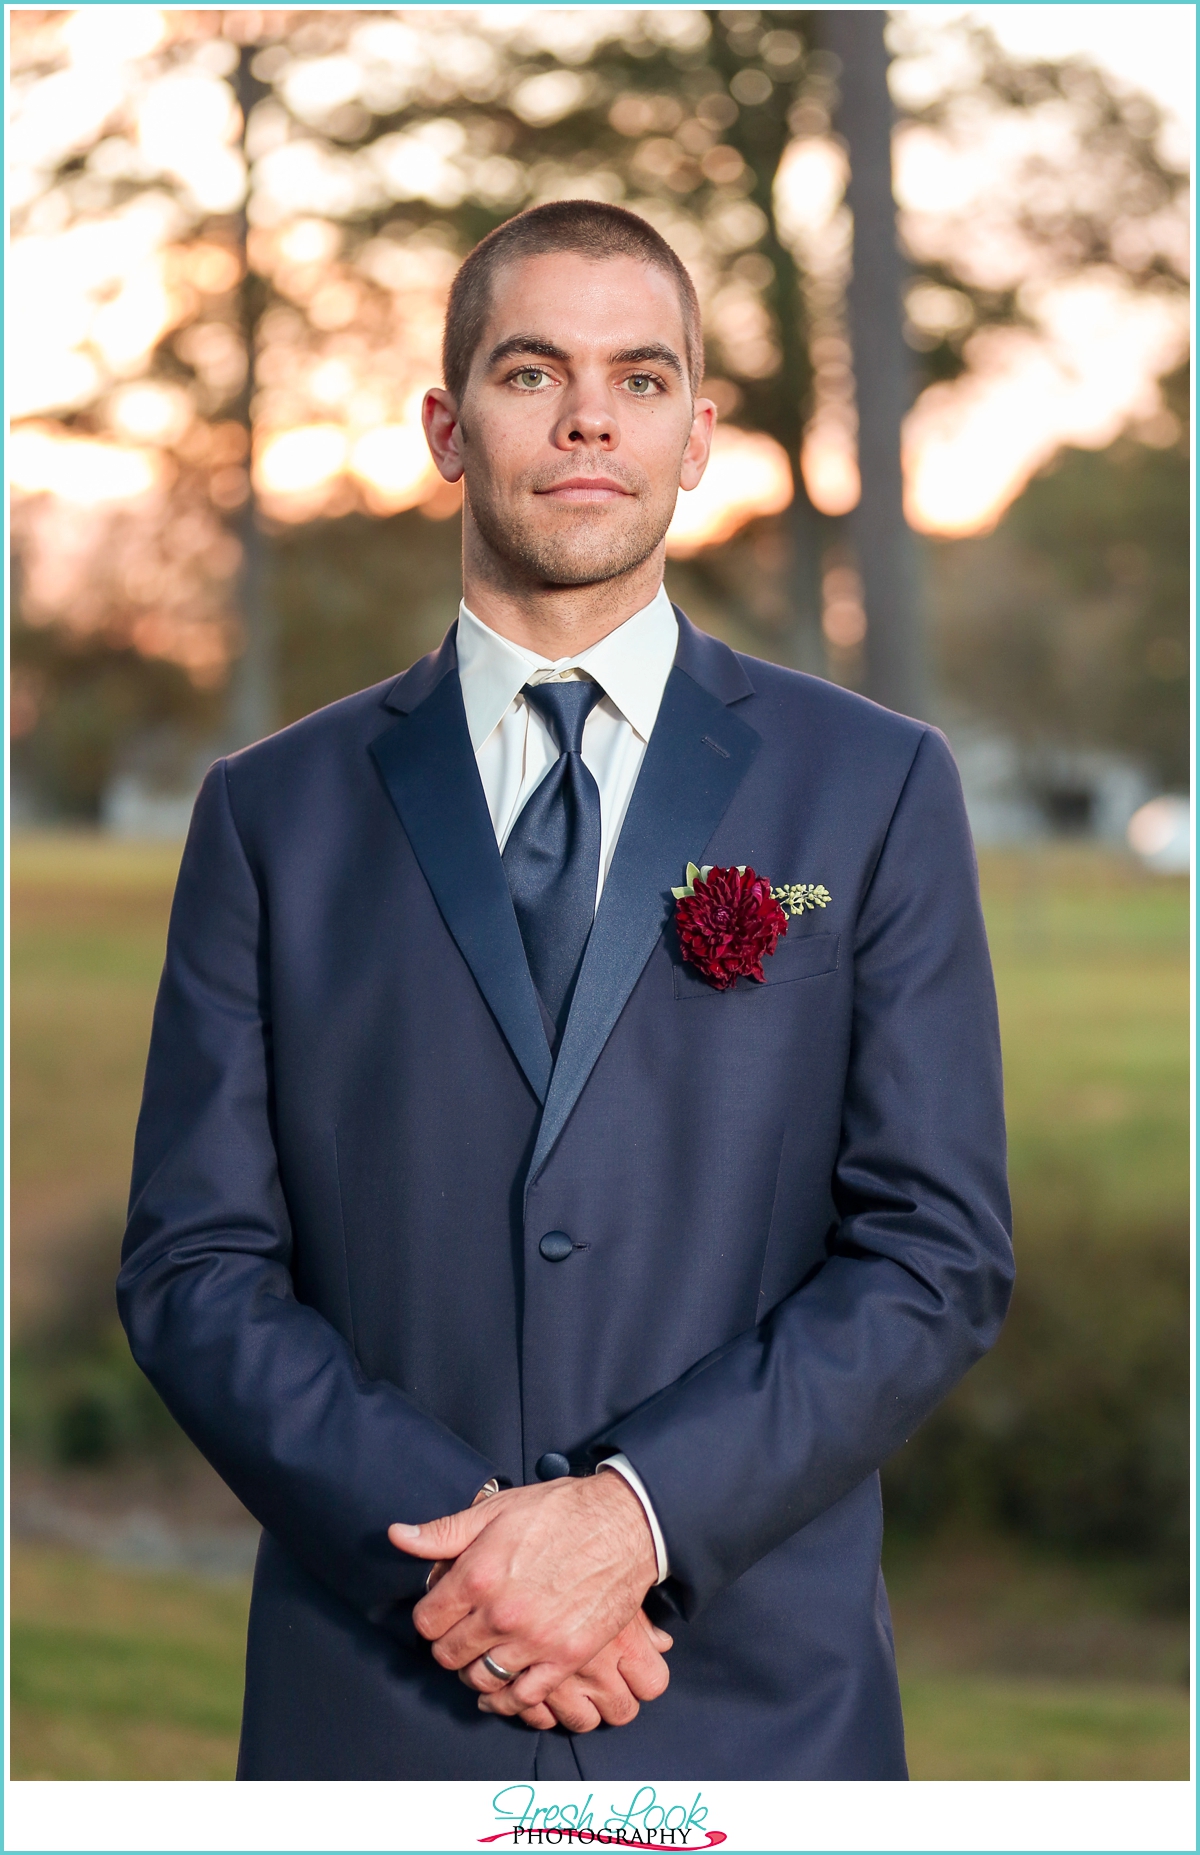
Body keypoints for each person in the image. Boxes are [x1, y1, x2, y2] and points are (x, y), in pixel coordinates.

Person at [118, 199, 1012, 1782]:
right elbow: (197, 1268)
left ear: (698, 437)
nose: (592, 413)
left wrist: (629, 1520)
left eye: (643, 377)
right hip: (381, 1704)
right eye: (534, 371)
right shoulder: (271, 814)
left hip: (754, 1709)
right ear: (448, 430)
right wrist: (468, 1575)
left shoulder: (874, 788)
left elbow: (934, 1250)